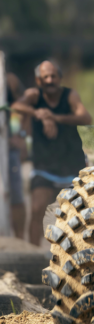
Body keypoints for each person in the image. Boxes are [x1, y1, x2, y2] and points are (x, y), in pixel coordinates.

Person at [11, 61, 92, 245]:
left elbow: (85, 117)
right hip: (44, 166)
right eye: (45, 77)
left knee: (77, 215)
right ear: (38, 80)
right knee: (37, 208)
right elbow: (17, 106)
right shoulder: (34, 95)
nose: (50, 80)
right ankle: (32, 253)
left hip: (71, 164)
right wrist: (38, 113)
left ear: (60, 78)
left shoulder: (70, 95)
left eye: (53, 76)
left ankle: (79, 252)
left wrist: (54, 117)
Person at [6, 73, 28, 239]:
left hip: (7, 148)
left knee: (15, 195)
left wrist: (20, 135)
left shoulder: (8, 79)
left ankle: (19, 240)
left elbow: (22, 106)